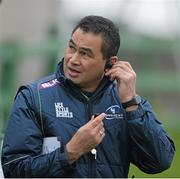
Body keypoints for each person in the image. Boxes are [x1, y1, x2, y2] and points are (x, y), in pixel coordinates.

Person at [1, 15, 175, 178]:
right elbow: (13, 169)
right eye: (71, 47)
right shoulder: (34, 97)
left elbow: (159, 162)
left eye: (85, 53)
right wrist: (70, 152)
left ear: (110, 63)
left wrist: (131, 103)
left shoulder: (126, 103)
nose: (73, 59)